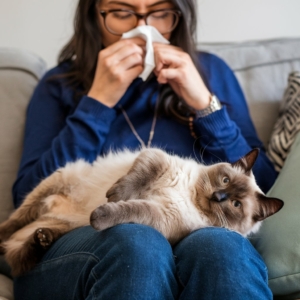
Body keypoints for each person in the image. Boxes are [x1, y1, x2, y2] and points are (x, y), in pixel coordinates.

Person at [12, 0, 277, 299]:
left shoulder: (210, 71)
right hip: (87, 236)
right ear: (94, 16)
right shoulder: (58, 84)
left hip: (202, 237)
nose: (143, 29)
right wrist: (97, 102)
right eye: (122, 13)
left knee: (220, 248)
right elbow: (28, 191)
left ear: (179, 17)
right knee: (136, 241)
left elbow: (263, 188)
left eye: (161, 13)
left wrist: (205, 106)